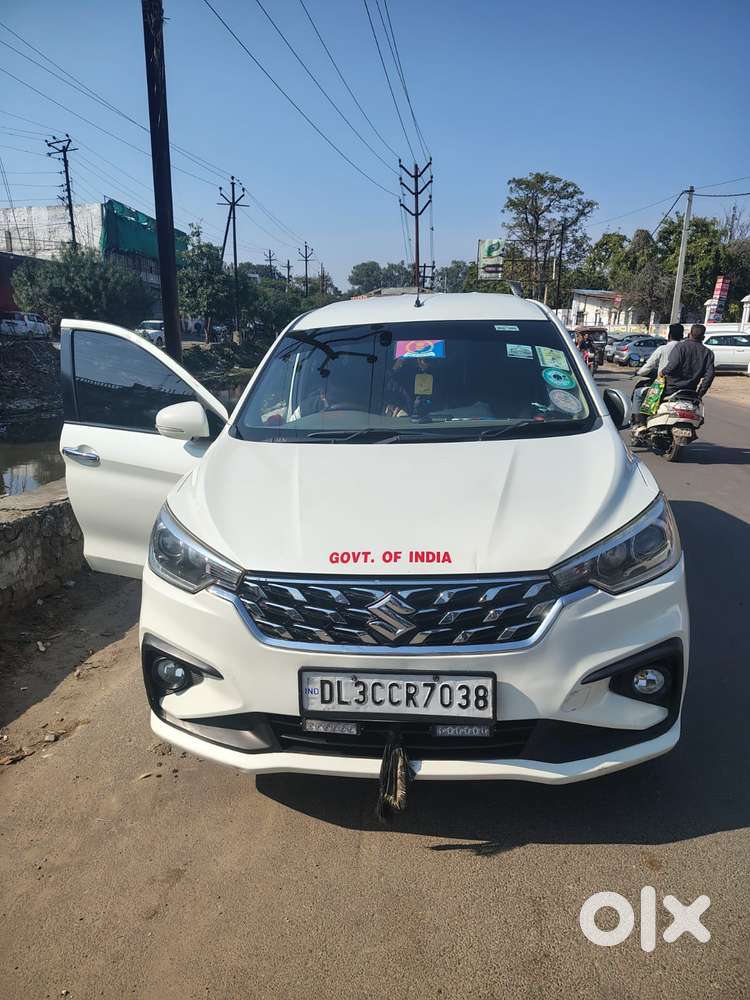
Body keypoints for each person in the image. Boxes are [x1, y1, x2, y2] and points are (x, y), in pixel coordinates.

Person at [631, 323, 684, 427]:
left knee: (638, 393)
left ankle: (639, 423)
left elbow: (648, 366)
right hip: (683, 386)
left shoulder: (663, 349)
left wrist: (639, 372)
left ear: (669, 335)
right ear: (682, 335)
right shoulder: (686, 349)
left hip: (664, 386)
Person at [661, 323, 715, 397]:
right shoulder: (708, 353)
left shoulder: (680, 347)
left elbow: (672, 365)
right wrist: (700, 393)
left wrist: (662, 372)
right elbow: (709, 376)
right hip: (690, 392)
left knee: (652, 403)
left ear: (689, 334)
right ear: (703, 337)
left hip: (670, 390)